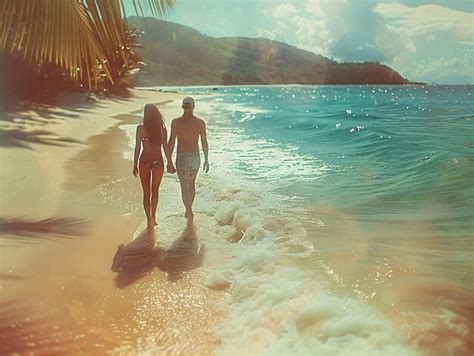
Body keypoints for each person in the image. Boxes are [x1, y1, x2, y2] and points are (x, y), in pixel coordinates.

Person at [168, 97, 209, 223]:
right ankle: (189, 210)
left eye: (187, 106)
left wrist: (169, 160)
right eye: (186, 106)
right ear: (193, 106)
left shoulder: (176, 122)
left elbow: (172, 142)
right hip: (195, 156)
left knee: (185, 187)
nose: (186, 108)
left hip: (182, 157)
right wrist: (206, 159)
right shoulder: (200, 122)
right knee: (191, 185)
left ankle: (189, 210)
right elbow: (204, 142)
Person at [133, 104, 172, 228]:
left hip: (143, 162)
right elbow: (165, 147)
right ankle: (153, 217)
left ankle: (149, 220)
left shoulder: (140, 128)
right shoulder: (162, 129)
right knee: (155, 191)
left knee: (146, 193)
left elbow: (137, 147)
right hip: (158, 162)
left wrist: (134, 165)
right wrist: (170, 162)